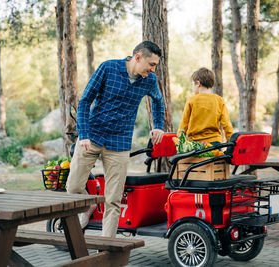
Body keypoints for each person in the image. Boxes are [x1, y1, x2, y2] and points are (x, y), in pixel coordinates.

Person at [66, 41, 165, 238]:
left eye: (155, 66)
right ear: (138, 57)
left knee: (113, 199)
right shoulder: (108, 68)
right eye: (151, 64)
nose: (153, 70)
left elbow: (158, 101)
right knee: (74, 186)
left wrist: (159, 126)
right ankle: (89, 205)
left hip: (119, 143)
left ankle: (107, 247)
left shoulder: (149, 81)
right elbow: (85, 101)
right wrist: (83, 134)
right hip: (92, 136)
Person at [177, 67, 233, 145]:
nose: (192, 87)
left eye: (192, 84)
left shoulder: (191, 100)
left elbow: (184, 124)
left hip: (195, 144)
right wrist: (231, 141)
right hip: (214, 144)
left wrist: (180, 142)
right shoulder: (219, 100)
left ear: (198, 83)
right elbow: (226, 124)